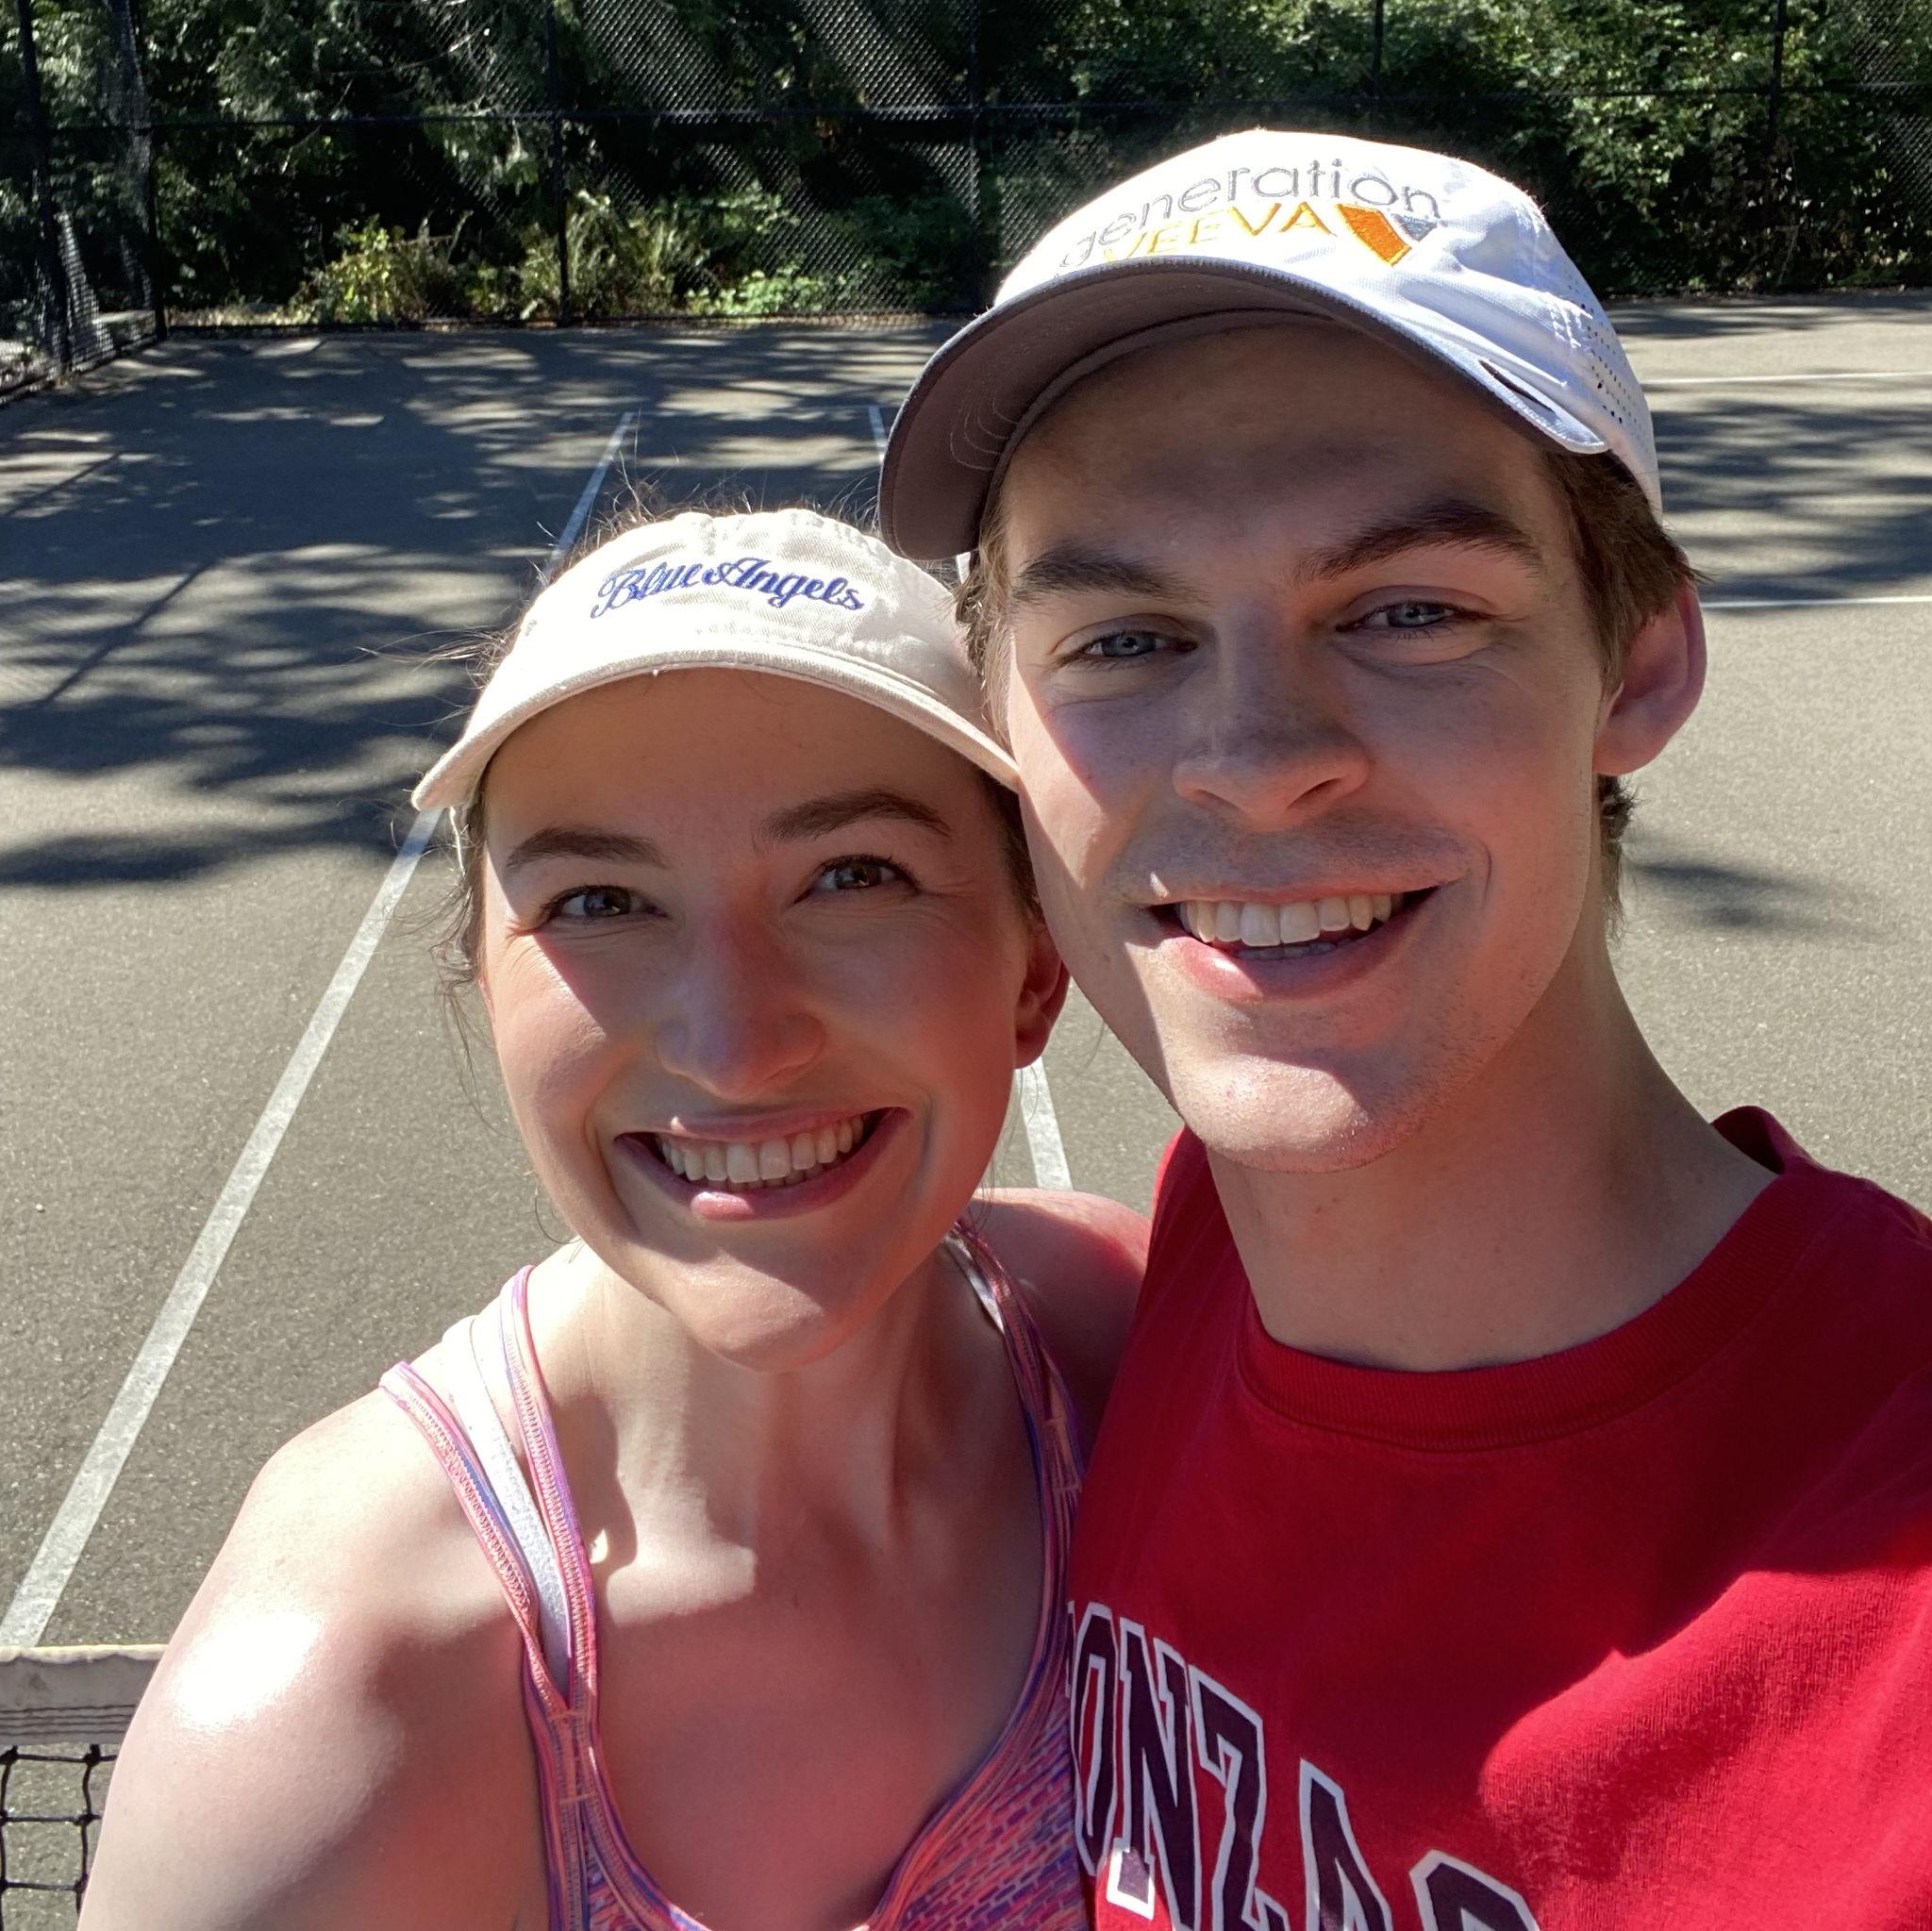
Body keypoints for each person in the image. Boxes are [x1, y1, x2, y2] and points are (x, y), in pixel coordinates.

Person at [879, 129, 1932, 1927]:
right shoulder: (1198, 1262)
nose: (1255, 753)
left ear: (1640, 664)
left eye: (1411, 611)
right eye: (1123, 641)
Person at [82, 507, 1145, 1931]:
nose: (732, 1041)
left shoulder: (1125, 1335)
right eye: (599, 900)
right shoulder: (325, 1718)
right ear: (482, 979)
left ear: (1036, 972)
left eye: (852, 877)